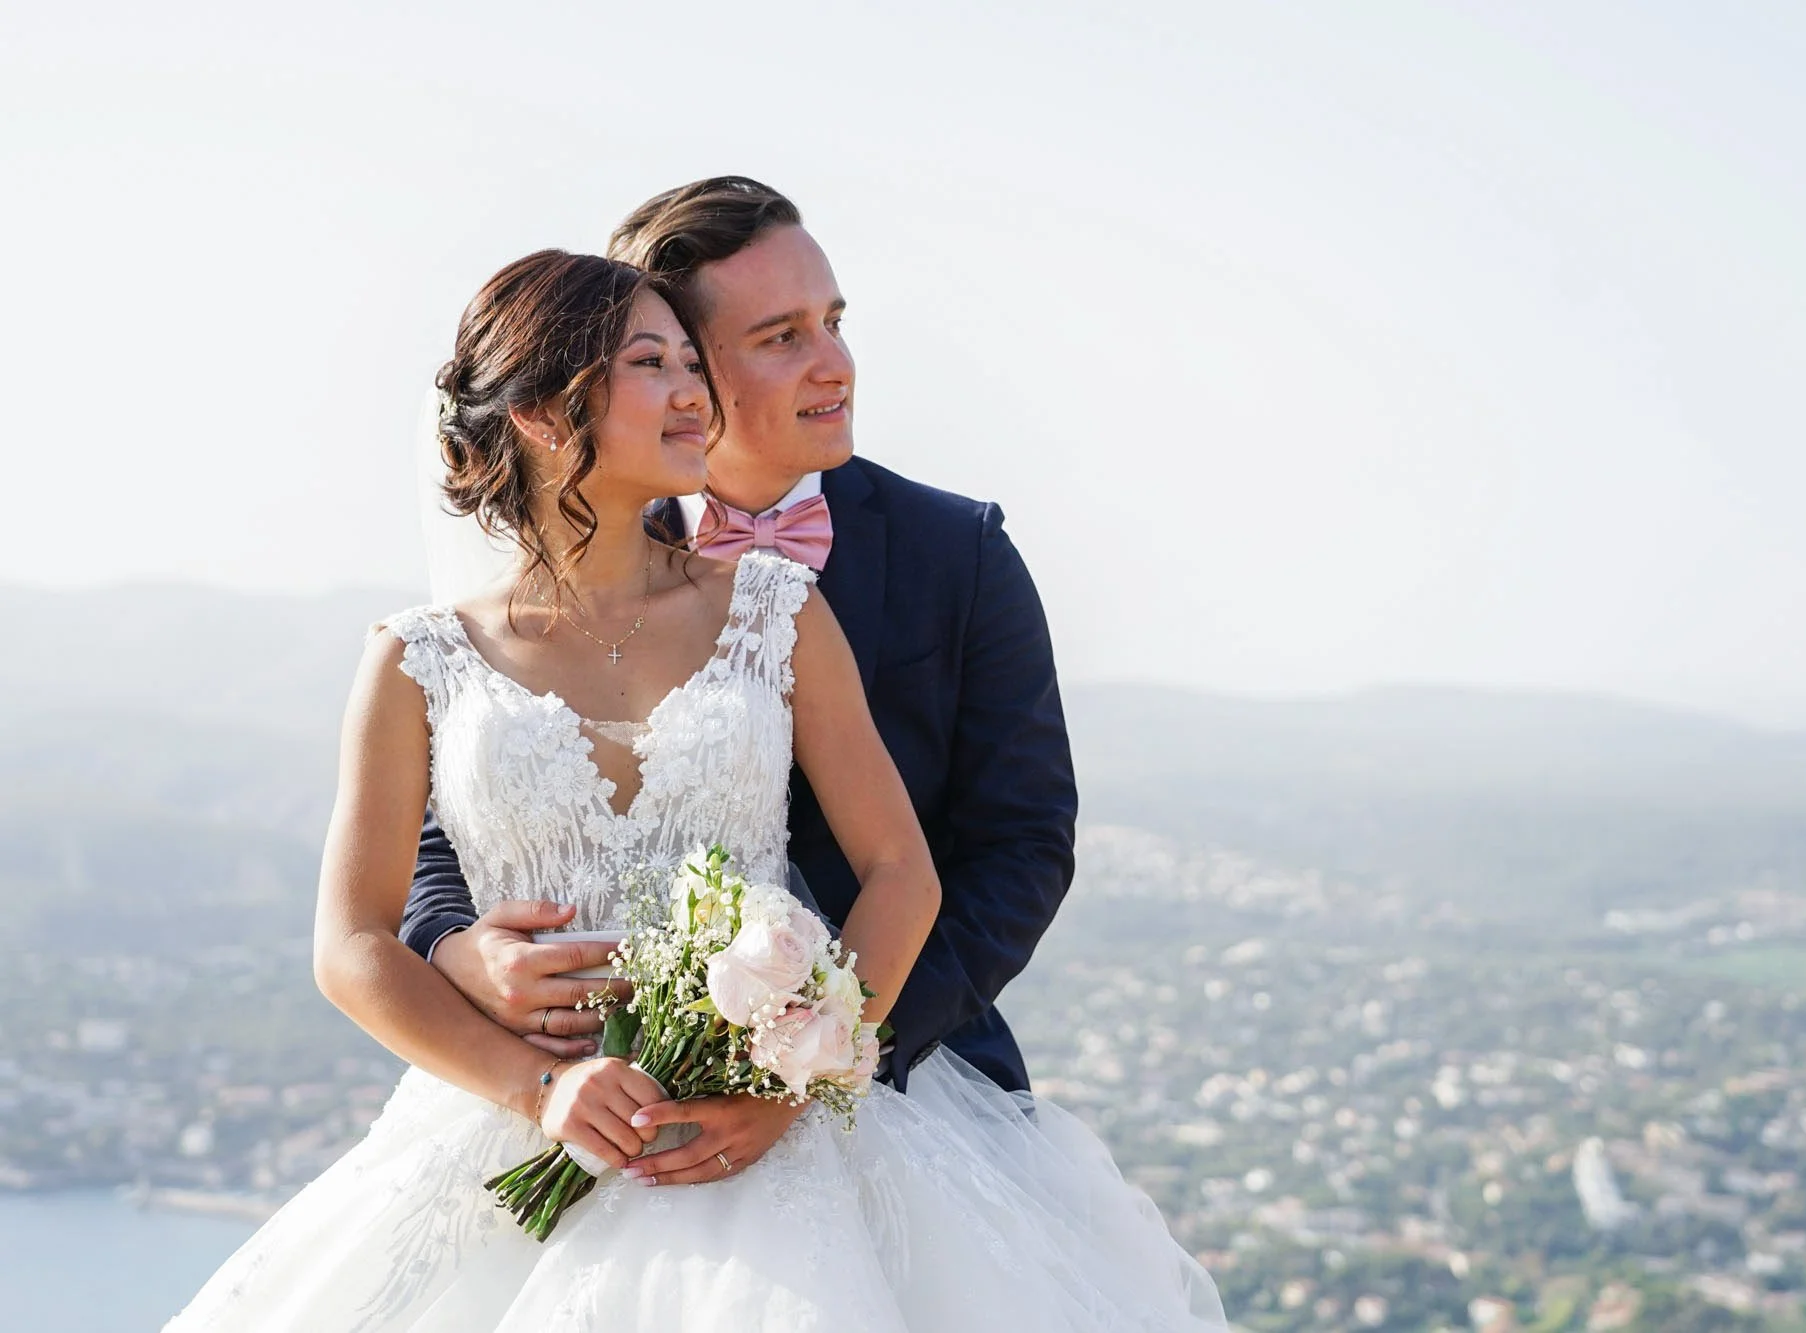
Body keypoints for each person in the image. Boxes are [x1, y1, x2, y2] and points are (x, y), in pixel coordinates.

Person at [168, 248, 1226, 1330]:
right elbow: (351, 945)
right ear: (539, 412)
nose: (692, 392)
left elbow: (900, 868)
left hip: (781, 1147)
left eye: (691, 361)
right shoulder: (416, 660)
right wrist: (538, 1087)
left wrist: (792, 1080)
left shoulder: (775, 609)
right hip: (517, 1127)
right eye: (650, 364)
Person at [401, 180, 1078, 1171]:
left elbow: (1020, 848)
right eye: (781, 337)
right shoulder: (564, 559)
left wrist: (811, 1058)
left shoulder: (960, 551)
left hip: (908, 1082)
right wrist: (463, 951)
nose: (834, 363)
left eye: (832, 322)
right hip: (584, 1088)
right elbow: (448, 832)